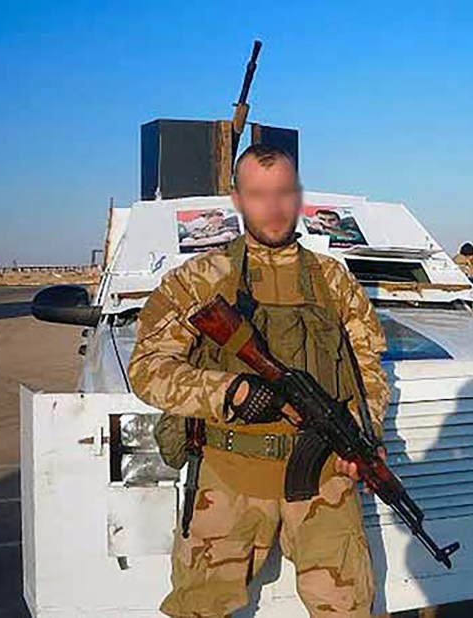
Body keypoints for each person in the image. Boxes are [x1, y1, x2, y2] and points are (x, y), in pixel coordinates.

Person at [128, 144, 390, 617]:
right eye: (258, 194)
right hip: (228, 478)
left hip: (323, 479)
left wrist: (363, 437)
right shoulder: (200, 280)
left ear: (299, 195)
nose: (273, 208)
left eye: (284, 193)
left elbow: (367, 367)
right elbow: (148, 369)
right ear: (237, 199)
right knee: (199, 610)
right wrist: (230, 392)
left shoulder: (333, 280)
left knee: (350, 609)